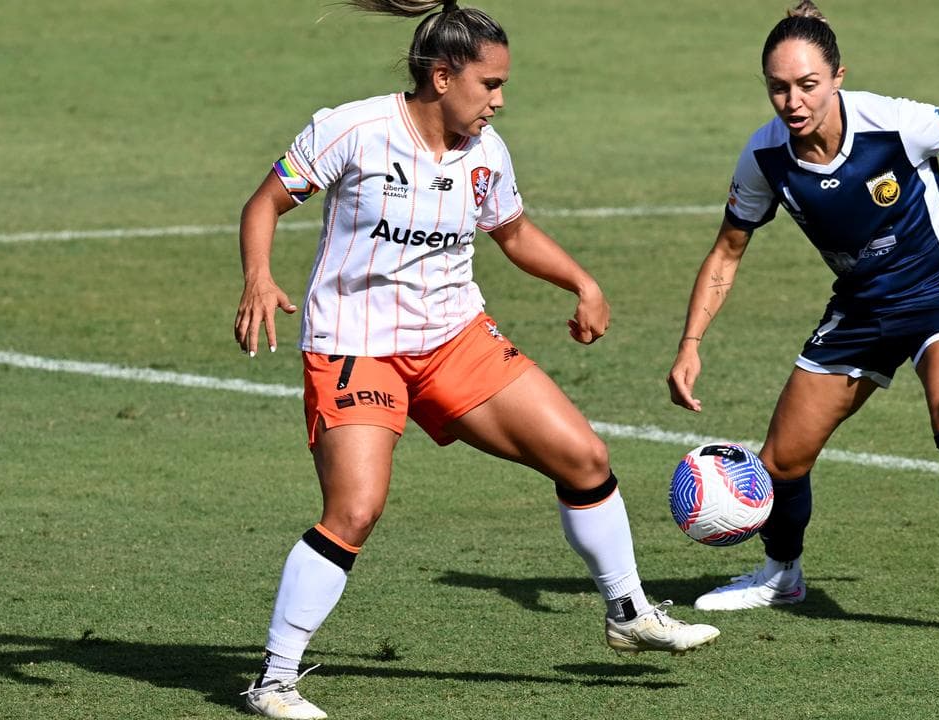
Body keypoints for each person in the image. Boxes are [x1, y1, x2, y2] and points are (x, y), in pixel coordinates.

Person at [233, 2, 719, 717]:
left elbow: (514, 234)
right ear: (441, 76)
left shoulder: (485, 153)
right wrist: (258, 276)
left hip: (456, 340)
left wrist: (581, 282)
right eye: (489, 84)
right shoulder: (354, 129)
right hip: (357, 348)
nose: (498, 100)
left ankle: (629, 613)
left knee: (584, 457)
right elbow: (264, 204)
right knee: (355, 509)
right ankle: (273, 680)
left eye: (502, 86)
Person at [667, 0, 939, 640]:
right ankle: (781, 575)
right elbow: (727, 251)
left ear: (837, 77)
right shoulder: (765, 157)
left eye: (807, 84)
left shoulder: (898, 124)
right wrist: (691, 343)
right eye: (778, 87)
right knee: (781, 462)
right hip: (860, 307)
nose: (792, 101)